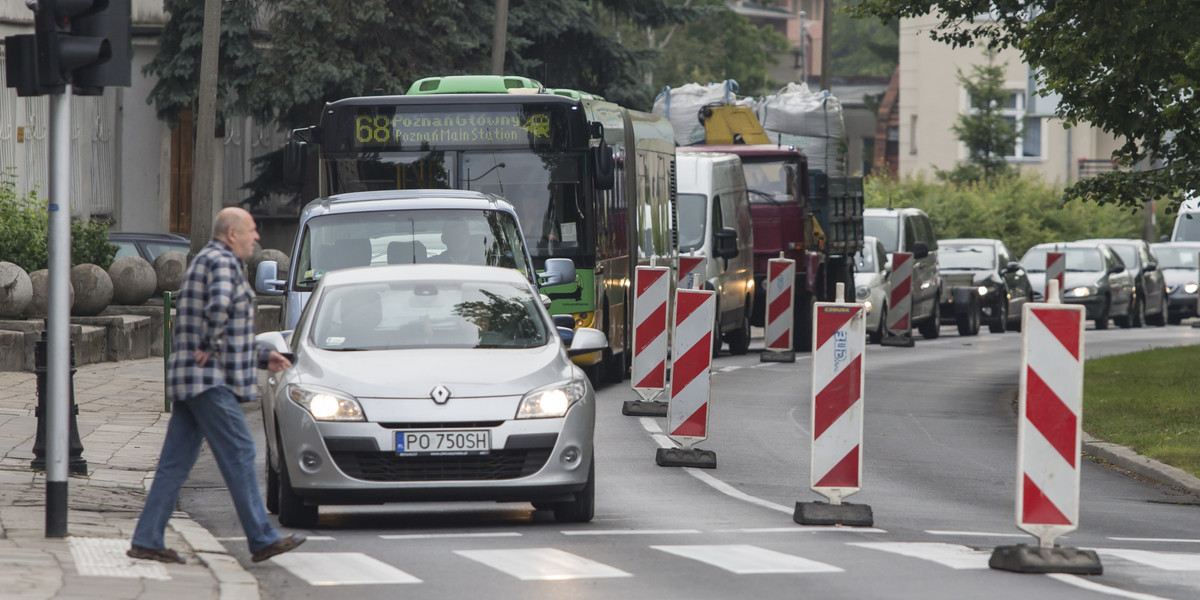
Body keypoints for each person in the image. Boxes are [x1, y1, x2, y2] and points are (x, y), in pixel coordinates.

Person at [128, 207, 305, 564]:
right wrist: (209, 345)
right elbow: (219, 312)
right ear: (231, 234)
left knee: (174, 463)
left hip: (192, 378)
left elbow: (224, 324)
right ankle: (260, 537)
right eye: (251, 230)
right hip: (210, 381)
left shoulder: (208, 260)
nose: (256, 236)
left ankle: (147, 538)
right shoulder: (224, 263)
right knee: (240, 451)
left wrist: (261, 356)